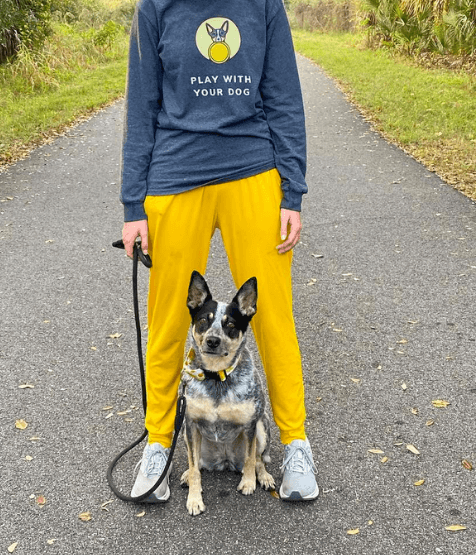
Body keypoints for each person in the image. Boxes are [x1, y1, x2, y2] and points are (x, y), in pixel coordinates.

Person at [119, 0, 318, 502]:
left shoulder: (263, 6)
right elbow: (140, 107)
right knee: (167, 320)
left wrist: (292, 191)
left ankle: (294, 443)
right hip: (175, 173)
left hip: (253, 169)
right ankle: (160, 445)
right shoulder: (155, 9)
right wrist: (132, 205)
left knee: (273, 317)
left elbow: (284, 97)